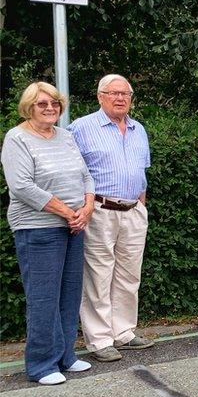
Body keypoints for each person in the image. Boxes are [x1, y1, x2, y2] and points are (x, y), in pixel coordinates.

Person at [2, 82, 95, 385]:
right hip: (38, 229)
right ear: (29, 106)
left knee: (69, 294)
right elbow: (22, 186)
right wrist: (68, 212)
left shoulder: (65, 137)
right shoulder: (17, 139)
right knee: (43, 297)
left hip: (73, 226)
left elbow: (86, 177)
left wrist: (87, 208)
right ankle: (41, 364)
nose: (50, 108)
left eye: (55, 103)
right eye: (43, 104)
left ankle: (65, 356)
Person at [69, 74, 154, 362]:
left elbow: (142, 172)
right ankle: (100, 339)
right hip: (100, 211)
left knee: (130, 276)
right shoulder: (81, 128)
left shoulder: (138, 129)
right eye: (113, 93)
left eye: (125, 94)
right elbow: (71, 174)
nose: (120, 98)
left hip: (132, 211)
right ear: (100, 96)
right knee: (98, 275)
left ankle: (124, 332)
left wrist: (141, 206)